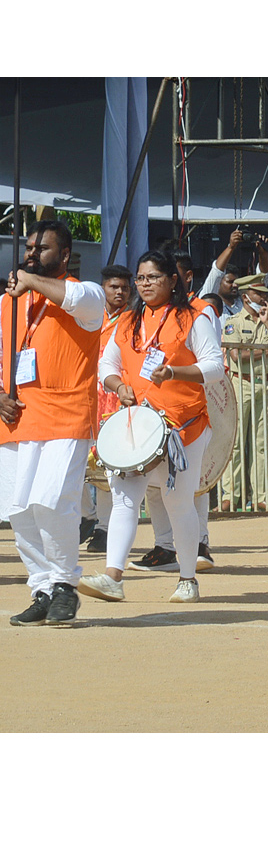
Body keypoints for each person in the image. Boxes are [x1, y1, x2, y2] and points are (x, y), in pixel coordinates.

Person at [77, 251, 225, 605]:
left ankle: (188, 578)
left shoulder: (195, 316)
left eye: (153, 277)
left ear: (173, 280)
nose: (144, 284)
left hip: (183, 425)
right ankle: (113, 576)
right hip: (138, 424)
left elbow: (215, 366)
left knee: (177, 502)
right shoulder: (128, 321)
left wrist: (175, 372)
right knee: (126, 497)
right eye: (140, 278)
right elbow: (106, 365)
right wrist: (118, 386)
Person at [2, 221, 105, 626]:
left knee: (51, 500)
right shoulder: (8, 302)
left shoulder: (88, 294)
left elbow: (73, 297)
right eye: (29, 247)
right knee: (19, 510)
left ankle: (65, 584)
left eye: (43, 248)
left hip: (66, 415)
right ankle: (41, 587)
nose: (32, 254)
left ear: (64, 256)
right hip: (18, 418)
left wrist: (29, 280)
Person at [219, 272, 268, 511]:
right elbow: (239, 356)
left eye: (264, 293)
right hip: (241, 383)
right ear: (247, 294)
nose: (263, 297)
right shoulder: (233, 322)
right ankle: (231, 496)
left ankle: (261, 496)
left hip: (266, 383)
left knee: (261, 443)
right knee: (236, 442)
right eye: (259, 293)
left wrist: (267, 321)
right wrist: (266, 351)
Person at [82, 263, 133, 553]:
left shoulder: (133, 319)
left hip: (117, 398)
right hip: (85, 395)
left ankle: (103, 528)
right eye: (114, 286)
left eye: (125, 287)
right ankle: (87, 516)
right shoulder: (88, 315)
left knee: (110, 466)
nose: (120, 292)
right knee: (77, 461)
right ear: (103, 287)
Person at [198, 229, 268, 316]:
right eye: (230, 282)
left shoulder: (245, 302)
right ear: (219, 283)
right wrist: (231, 247)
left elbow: (263, 278)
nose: (235, 285)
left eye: (236, 282)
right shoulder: (210, 300)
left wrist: (263, 254)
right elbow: (216, 272)